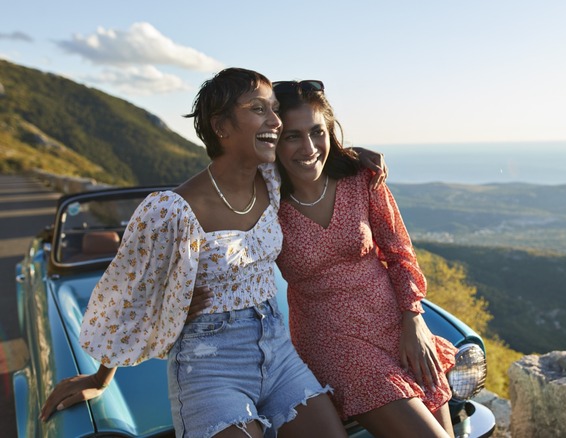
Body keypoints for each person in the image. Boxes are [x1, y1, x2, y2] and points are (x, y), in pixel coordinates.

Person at [39, 68, 385, 438]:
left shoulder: (271, 179)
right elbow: (127, 297)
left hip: (279, 350)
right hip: (209, 361)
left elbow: (311, 152)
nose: (275, 120)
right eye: (259, 109)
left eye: (274, 109)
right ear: (221, 126)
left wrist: (353, 156)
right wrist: (101, 376)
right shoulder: (171, 210)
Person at [270, 80, 458, 438]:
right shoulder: (264, 204)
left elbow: (400, 253)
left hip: (396, 325)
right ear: (274, 141)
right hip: (332, 341)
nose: (308, 147)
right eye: (292, 136)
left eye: (317, 132)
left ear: (331, 133)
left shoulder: (361, 179)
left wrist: (414, 320)